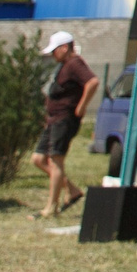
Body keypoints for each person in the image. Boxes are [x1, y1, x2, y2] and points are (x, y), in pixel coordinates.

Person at [35, 30, 99, 219]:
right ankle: (71, 190)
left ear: (65, 48)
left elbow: (93, 82)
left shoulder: (74, 63)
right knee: (38, 159)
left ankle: (51, 207)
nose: (53, 54)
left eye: (55, 50)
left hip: (64, 119)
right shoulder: (64, 66)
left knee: (56, 162)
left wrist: (81, 107)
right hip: (54, 119)